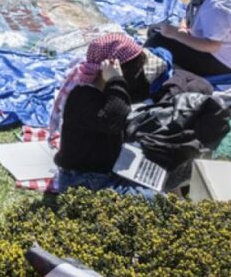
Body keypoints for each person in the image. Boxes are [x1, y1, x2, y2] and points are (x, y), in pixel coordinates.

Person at [49, 34, 155, 199]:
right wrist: (116, 80)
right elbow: (114, 121)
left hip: (103, 170)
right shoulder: (82, 96)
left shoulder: (104, 91)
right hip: (83, 181)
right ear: (114, 68)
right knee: (156, 198)